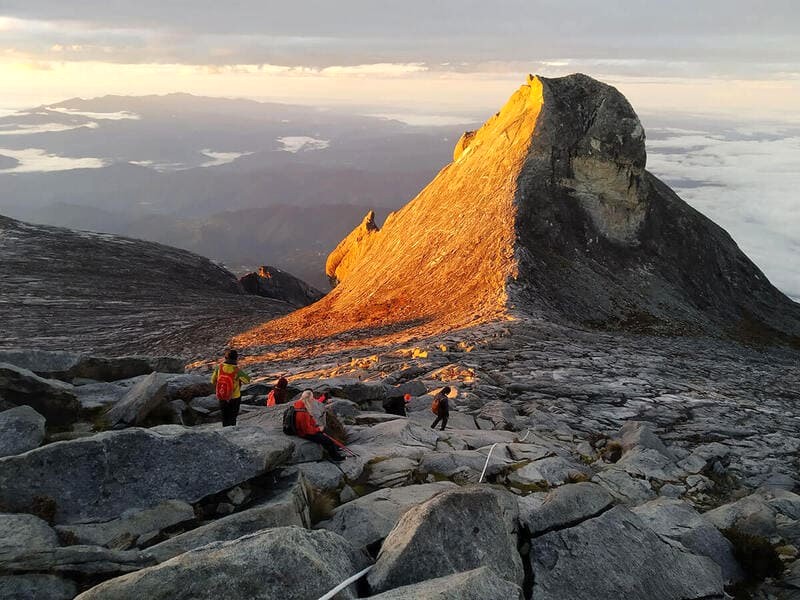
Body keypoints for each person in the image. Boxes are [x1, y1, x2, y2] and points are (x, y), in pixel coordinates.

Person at [293, 390, 345, 461]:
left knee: (325, 432)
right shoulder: (302, 412)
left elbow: (309, 422)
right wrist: (318, 429)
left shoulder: (300, 406)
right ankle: (336, 457)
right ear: (308, 399)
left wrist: (316, 426)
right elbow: (307, 430)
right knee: (327, 440)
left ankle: (335, 447)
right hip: (304, 433)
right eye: (312, 398)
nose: (313, 400)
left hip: (305, 430)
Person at [211, 349, 251, 427]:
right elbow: (247, 381)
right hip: (234, 397)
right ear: (236, 359)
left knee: (224, 417)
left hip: (222, 396)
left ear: (225, 358)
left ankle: (225, 432)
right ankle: (232, 431)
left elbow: (213, 381)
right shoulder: (236, 370)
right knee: (232, 418)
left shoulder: (219, 368)